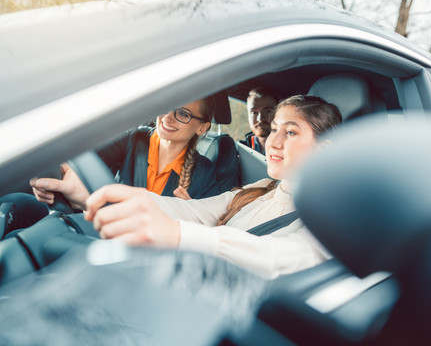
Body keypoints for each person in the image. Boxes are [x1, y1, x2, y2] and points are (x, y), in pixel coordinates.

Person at [84, 95, 343, 279]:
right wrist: (113, 197)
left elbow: (275, 257)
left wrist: (177, 235)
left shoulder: (333, 217)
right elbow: (195, 211)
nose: (272, 141)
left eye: (290, 132)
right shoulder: (262, 188)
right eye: (274, 129)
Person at [30, 98, 220, 211]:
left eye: (183, 114)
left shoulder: (206, 174)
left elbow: (205, 229)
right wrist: (62, 169)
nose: (167, 117)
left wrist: (186, 214)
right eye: (167, 105)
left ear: (202, 127)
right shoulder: (133, 139)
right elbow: (87, 159)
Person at [239, 87, 278, 155]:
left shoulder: (290, 150)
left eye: (268, 111)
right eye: (254, 112)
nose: (260, 119)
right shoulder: (239, 150)